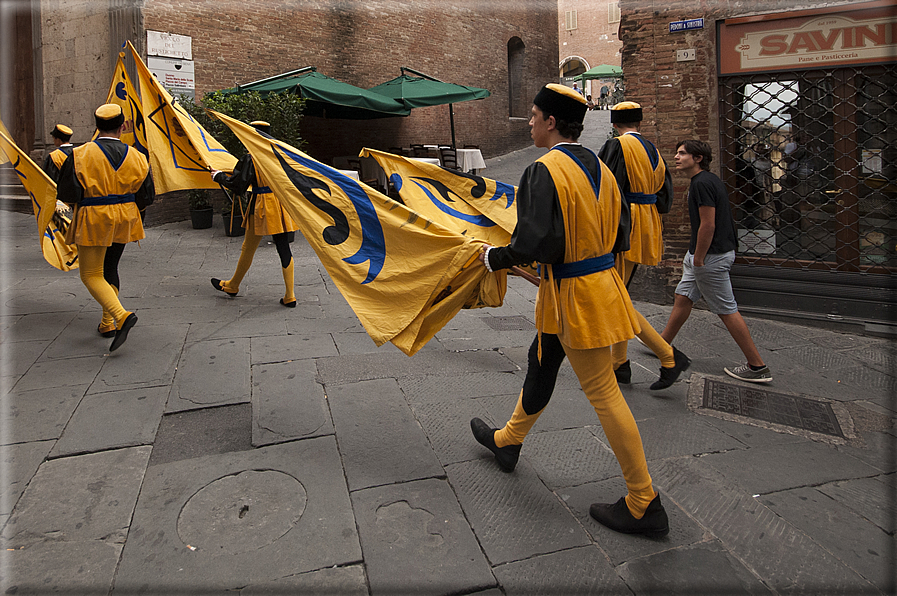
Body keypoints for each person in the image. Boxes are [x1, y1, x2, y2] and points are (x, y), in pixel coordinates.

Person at [471, 84, 669, 538]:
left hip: (575, 296)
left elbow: (533, 241)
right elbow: (619, 233)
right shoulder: (601, 166)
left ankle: (643, 502)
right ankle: (508, 441)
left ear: (552, 122)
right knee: (541, 362)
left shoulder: (544, 169)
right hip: (594, 285)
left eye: (535, 115)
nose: (531, 122)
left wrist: (494, 258)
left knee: (603, 392)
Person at [659, 140, 772, 383]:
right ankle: (660, 344)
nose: (676, 157)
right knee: (683, 297)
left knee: (726, 309)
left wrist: (699, 257)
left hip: (710, 257)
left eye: (682, 153)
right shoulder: (706, 181)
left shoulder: (702, 184)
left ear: (698, 158)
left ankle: (757, 366)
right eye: (676, 152)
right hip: (706, 255)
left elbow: (707, 224)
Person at [598, 102, 689, 390]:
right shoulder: (655, 152)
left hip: (624, 226)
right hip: (647, 225)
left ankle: (668, 355)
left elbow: (605, 188)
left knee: (615, 297)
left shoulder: (616, 147)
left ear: (615, 123)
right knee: (619, 293)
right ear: (638, 122)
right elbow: (665, 199)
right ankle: (619, 364)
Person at [57, 104, 154, 351]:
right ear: (123, 126)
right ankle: (106, 323)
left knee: (90, 274)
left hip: (94, 217)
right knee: (110, 267)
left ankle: (121, 316)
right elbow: (147, 196)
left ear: (96, 126)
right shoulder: (139, 156)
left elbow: (68, 193)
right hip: (124, 217)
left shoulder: (79, 154)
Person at [210, 120, 299, 307]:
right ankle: (290, 295)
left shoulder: (251, 158)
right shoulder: (279, 153)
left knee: (248, 247)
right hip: (280, 204)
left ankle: (233, 285)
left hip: (260, 206)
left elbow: (238, 185)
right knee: (283, 247)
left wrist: (218, 176)